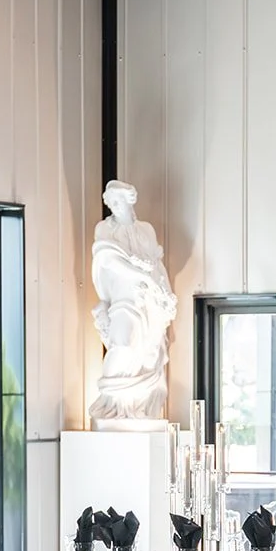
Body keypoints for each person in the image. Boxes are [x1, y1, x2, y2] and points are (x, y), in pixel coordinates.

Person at [89, 181, 177, 423]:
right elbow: (107, 259)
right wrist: (139, 272)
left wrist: (164, 291)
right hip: (123, 296)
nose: (113, 207)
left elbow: (156, 264)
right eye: (110, 203)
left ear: (129, 200)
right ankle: (112, 402)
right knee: (123, 344)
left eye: (118, 201)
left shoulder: (146, 230)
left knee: (148, 352)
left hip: (147, 299)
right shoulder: (105, 229)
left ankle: (139, 407)